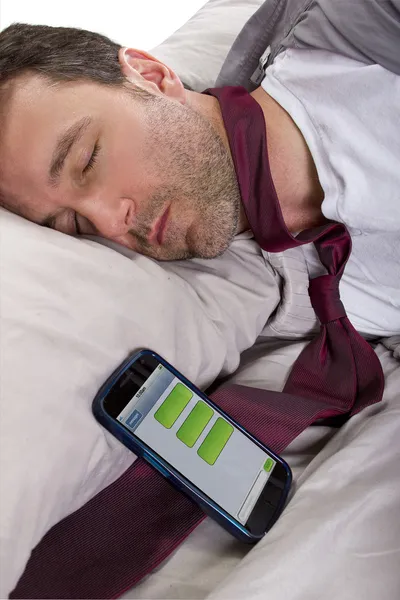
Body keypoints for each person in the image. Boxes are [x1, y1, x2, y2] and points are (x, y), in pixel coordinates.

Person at [0, 0, 399, 339]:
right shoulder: (279, 301)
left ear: (151, 76)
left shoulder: (355, 33)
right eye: (72, 223)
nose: (109, 225)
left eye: (88, 159)